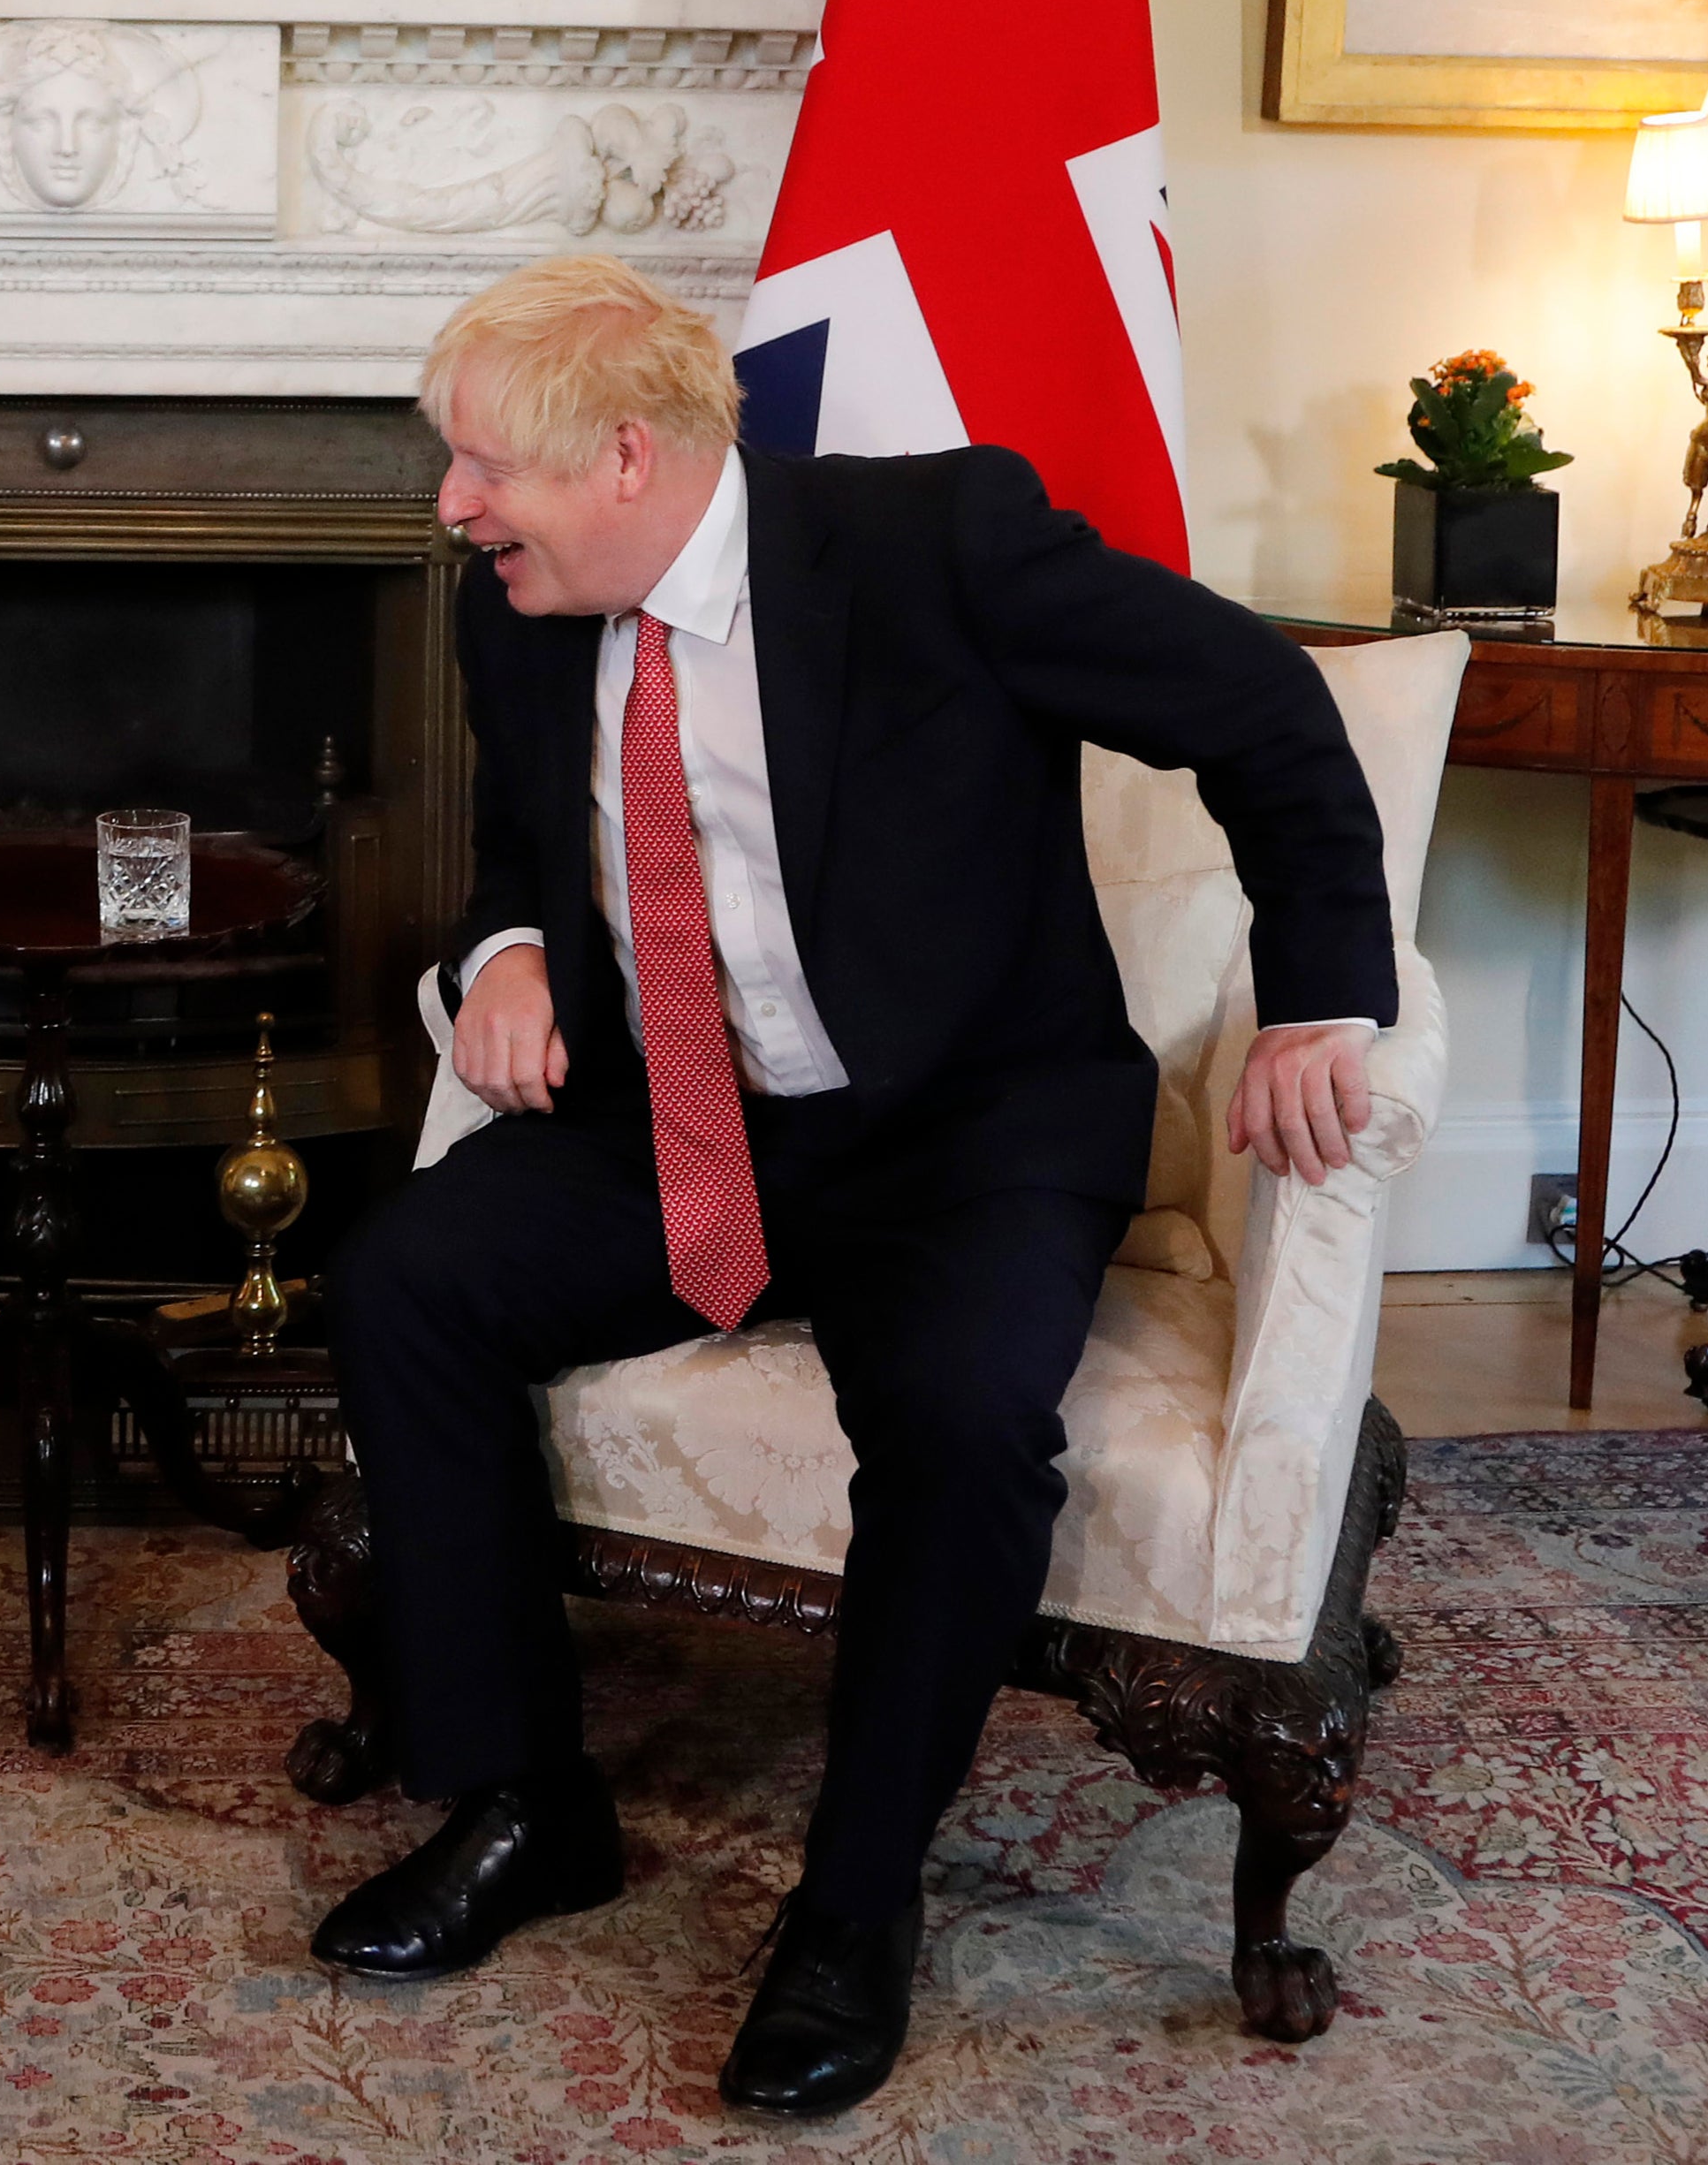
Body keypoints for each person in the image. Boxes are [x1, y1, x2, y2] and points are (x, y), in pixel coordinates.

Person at [317, 255, 1393, 2117]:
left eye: (484, 463)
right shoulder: (523, 604)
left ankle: (856, 1900)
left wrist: (1319, 993)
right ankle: (523, 1801)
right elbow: (518, 844)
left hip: (967, 1136)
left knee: (966, 1419)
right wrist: (497, 953)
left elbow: (1265, 708)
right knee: (409, 1279)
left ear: (633, 459)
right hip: (687, 1126)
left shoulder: (939, 546)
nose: (452, 503)